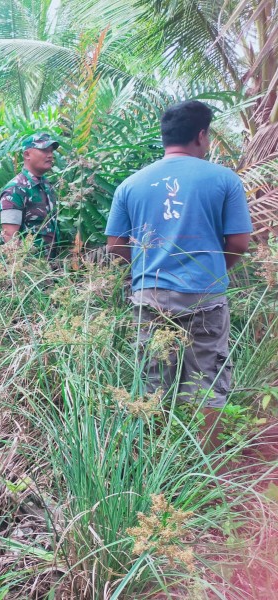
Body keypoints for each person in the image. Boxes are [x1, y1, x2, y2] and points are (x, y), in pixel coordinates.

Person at [105, 100, 252, 451]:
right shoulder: (223, 179)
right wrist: (214, 271)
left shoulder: (131, 184)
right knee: (208, 385)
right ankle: (205, 476)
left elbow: (114, 245)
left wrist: (144, 270)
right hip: (204, 297)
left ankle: (153, 475)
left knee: (151, 385)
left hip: (149, 297)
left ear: (165, 136)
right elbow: (240, 243)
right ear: (202, 136)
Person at [0, 132, 60, 256]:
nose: (50, 155)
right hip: (29, 268)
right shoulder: (15, 189)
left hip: (49, 266)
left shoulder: (47, 186)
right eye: (44, 151)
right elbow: (9, 236)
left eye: (51, 151)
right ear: (27, 154)